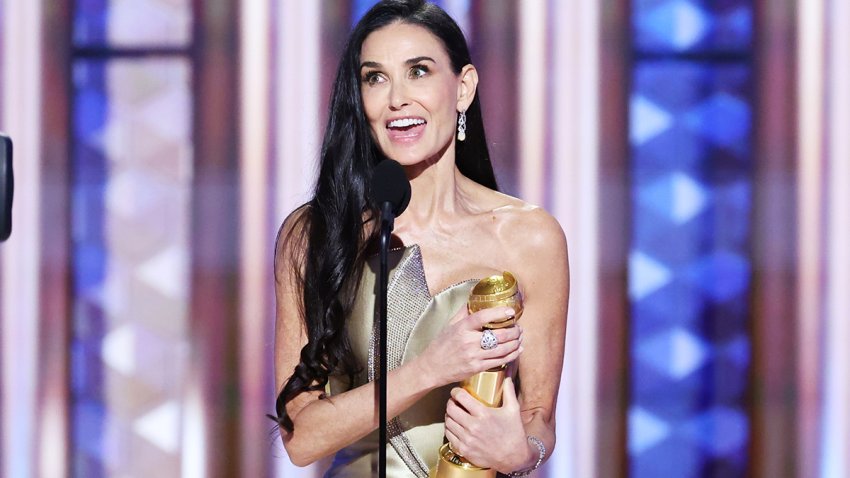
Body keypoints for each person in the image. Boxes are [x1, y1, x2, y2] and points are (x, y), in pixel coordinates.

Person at [272, 1, 569, 476]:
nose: (397, 99)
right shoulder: (317, 234)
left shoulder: (529, 237)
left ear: (463, 88)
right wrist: (431, 369)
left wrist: (521, 453)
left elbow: (539, 418)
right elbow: (301, 439)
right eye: (375, 77)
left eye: (419, 71)